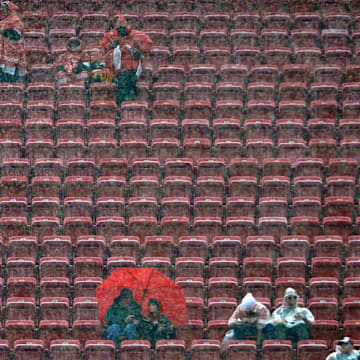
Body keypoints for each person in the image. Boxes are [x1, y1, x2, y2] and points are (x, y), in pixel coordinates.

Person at [99, 14, 152, 104]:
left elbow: (148, 46)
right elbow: (102, 49)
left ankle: (126, 102)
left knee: (127, 82)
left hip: (132, 69)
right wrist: (111, 45)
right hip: (113, 69)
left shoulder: (137, 35)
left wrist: (139, 47)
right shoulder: (110, 36)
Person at [0, 1, 26, 82]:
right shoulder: (2, 22)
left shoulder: (15, 21)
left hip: (12, 53)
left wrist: (3, 32)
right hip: (2, 53)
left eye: (4, 9)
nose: (2, 11)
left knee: (11, 78)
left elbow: (15, 36)